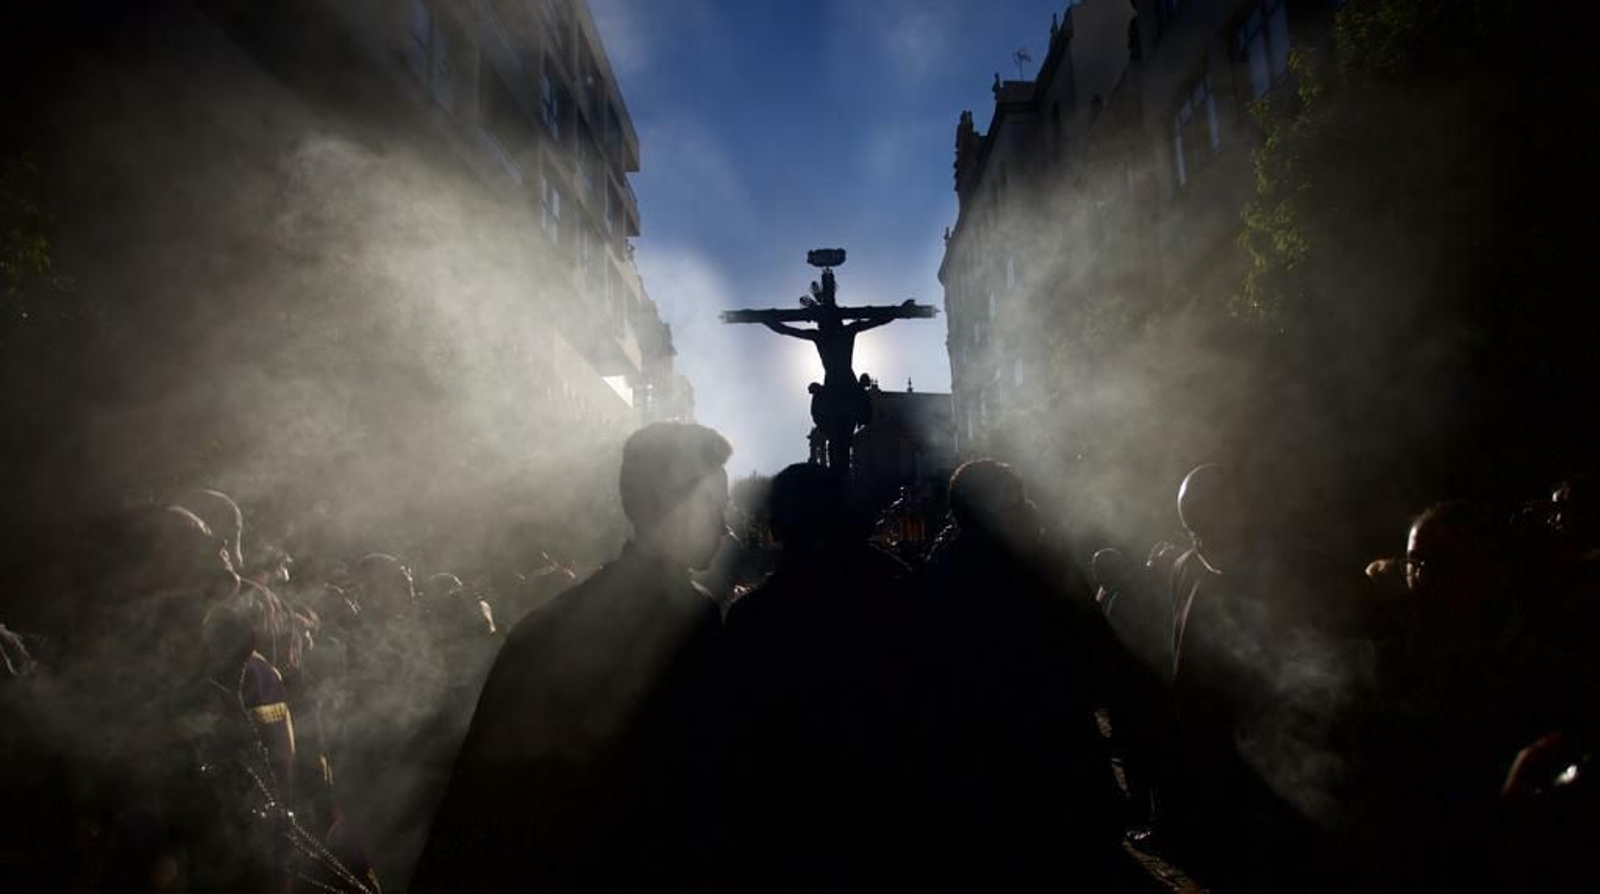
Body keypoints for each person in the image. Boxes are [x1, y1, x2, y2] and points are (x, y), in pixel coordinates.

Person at [413, 422, 734, 892]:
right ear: (670, 505)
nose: (725, 526)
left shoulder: (543, 626)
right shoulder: (694, 623)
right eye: (712, 506)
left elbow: (473, 801)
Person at [918, 459, 1150, 890]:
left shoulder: (942, 575)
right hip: (1063, 766)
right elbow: (1103, 661)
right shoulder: (1047, 564)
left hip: (981, 778)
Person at [722, 463, 918, 888]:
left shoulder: (753, 620)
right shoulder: (898, 590)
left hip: (790, 833)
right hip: (888, 822)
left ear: (776, 527)